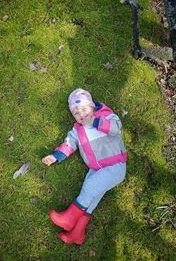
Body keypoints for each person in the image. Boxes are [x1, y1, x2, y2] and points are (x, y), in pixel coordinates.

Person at [42, 88, 127, 245]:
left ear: (92, 107)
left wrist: (94, 122)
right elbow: (70, 143)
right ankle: (77, 233)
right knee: (91, 199)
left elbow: (116, 128)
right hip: (97, 168)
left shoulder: (105, 115)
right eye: (76, 113)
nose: (81, 115)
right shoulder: (77, 130)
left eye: (84, 109)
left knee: (90, 186)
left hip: (115, 166)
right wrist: (56, 156)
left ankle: (69, 218)